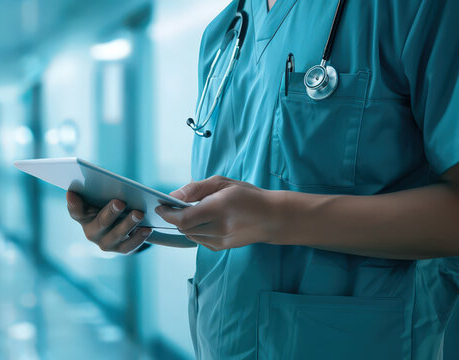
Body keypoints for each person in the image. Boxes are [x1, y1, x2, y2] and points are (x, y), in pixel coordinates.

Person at [66, 0, 459, 358]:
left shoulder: (413, 9)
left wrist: (279, 217)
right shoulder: (225, 32)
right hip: (222, 340)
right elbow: (232, 208)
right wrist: (143, 225)